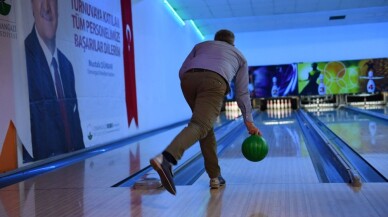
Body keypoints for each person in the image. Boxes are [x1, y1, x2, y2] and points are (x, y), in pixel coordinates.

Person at [150, 29, 261, 195]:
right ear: (232, 44)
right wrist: (249, 121)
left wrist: (194, 81)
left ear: (215, 40)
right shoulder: (239, 56)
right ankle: (167, 158)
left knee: (205, 129)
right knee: (201, 125)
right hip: (214, 81)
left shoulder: (201, 46)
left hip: (188, 80)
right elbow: (242, 92)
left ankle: (215, 176)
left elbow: (182, 70)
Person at [24, 0, 84, 161]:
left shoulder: (66, 66)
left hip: (75, 173)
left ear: (58, 9)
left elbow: (78, 139)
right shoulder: (22, 59)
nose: (46, 7)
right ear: (31, 7)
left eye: (52, 0)